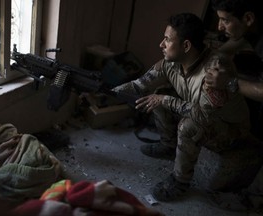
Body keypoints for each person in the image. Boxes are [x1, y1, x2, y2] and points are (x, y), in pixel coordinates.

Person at [112, 12, 250, 201]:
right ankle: (169, 146)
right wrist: (104, 91)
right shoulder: (171, 62)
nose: (161, 44)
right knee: (157, 96)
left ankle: (180, 181)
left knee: (187, 124)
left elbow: (202, 116)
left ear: (186, 46)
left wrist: (164, 100)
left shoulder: (214, 71)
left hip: (231, 130)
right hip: (201, 114)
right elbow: (139, 85)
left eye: (167, 40)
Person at [204, 0, 263, 211]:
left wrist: (229, 82)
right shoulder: (249, 31)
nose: (219, 27)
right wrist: (215, 59)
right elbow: (226, 49)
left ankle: (254, 199)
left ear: (248, 18)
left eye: (225, 21)